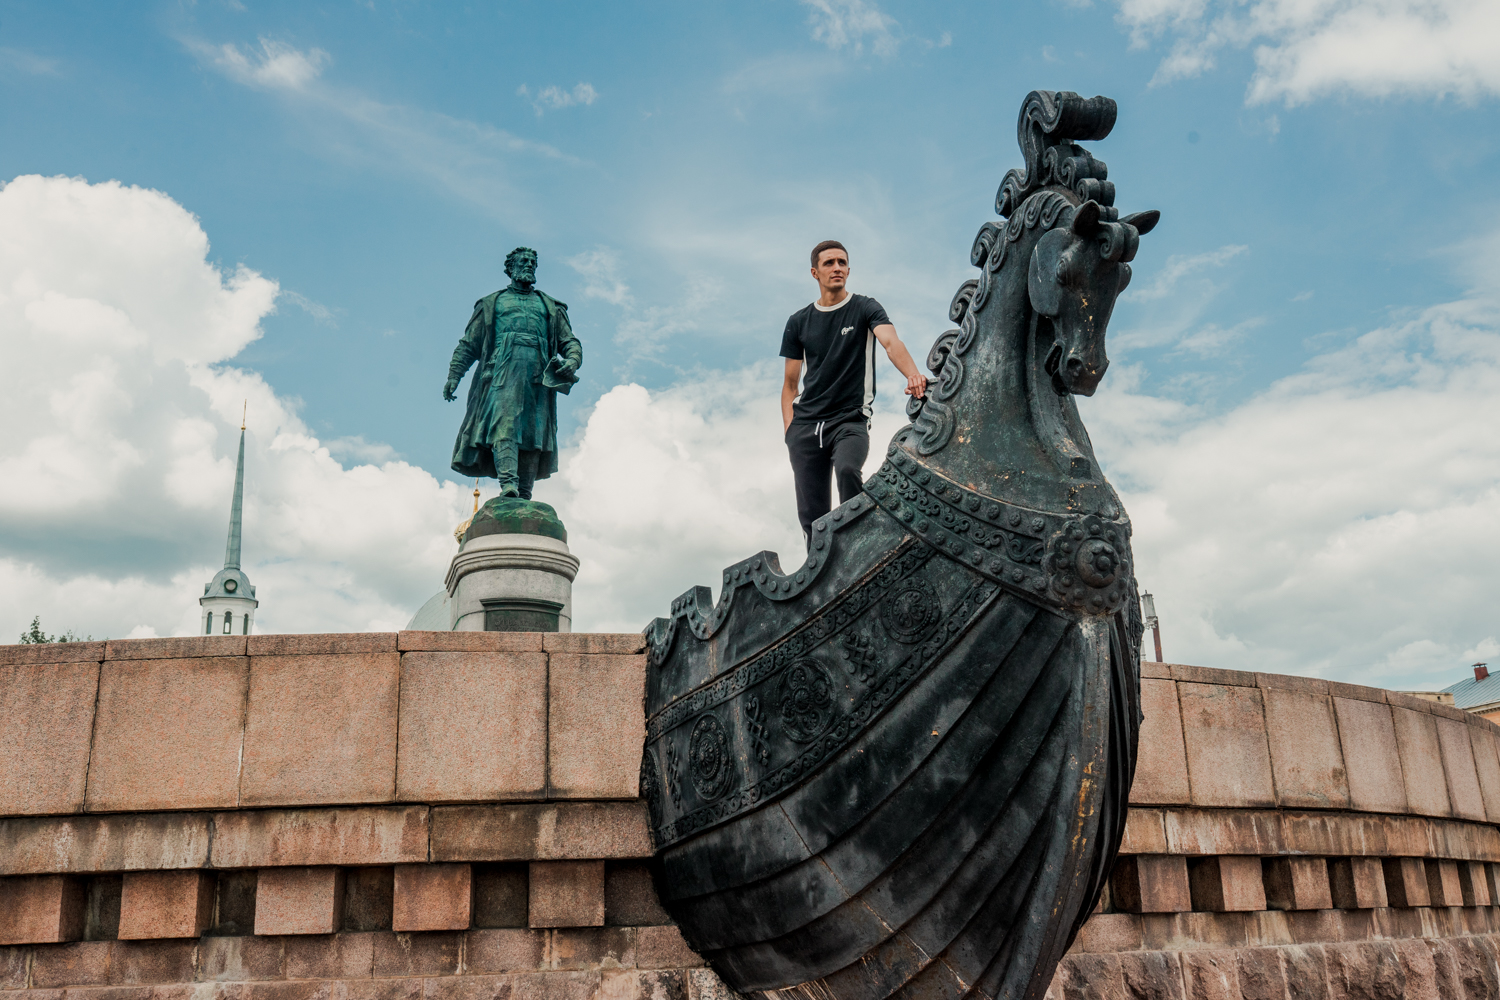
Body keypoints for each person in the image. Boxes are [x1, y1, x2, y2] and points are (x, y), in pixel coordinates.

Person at [781, 240, 926, 544]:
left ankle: (858, 545)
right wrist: (789, 431)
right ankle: (821, 580)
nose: (837, 268)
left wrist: (912, 373)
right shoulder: (798, 322)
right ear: (814, 272)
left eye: (842, 263)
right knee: (812, 515)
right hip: (806, 427)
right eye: (829, 263)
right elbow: (790, 385)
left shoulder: (864, 307)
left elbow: (891, 343)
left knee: (848, 470)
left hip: (849, 420)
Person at [443, 247, 583, 499]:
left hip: (539, 375)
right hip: (502, 373)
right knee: (504, 426)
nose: (529, 265)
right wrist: (455, 374)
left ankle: (525, 493)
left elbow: (570, 341)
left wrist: (573, 360)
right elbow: (469, 344)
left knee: (534, 432)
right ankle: (509, 484)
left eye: (533, 262)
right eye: (524, 261)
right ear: (511, 268)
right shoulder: (492, 303)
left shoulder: (549, 306)